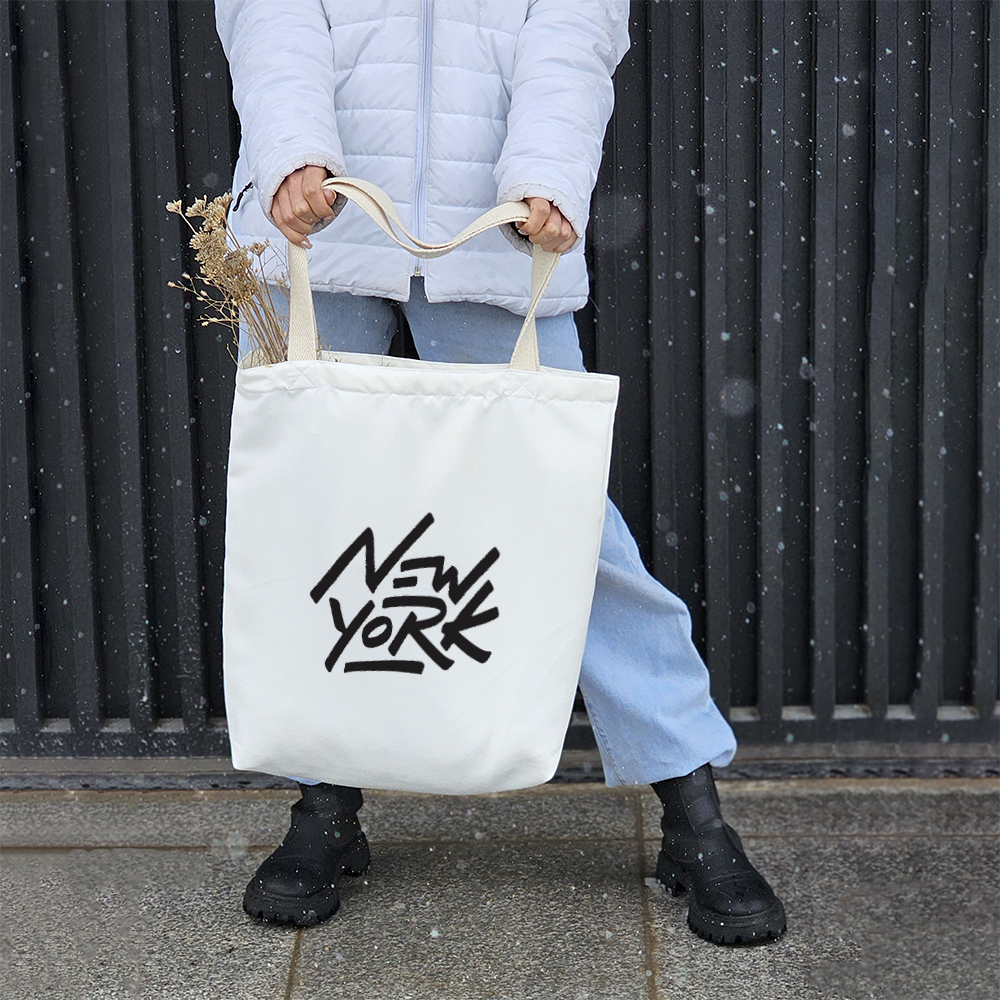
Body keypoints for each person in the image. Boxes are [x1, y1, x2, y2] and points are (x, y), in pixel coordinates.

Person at [215, 0, 786, 946]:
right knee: (313, 528)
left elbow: (573, 27)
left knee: (568, 529)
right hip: (315, 228)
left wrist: (548, 174)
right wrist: (291, 153)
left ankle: (693, 812)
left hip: (496, 232)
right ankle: (323, 802)